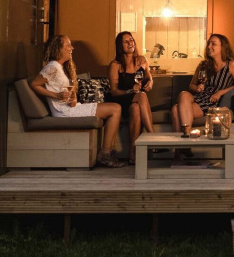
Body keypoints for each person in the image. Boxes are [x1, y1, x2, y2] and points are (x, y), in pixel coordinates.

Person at [30, 35, 125, 168]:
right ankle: (105, 154)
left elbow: (63, 90)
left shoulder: (60, 67)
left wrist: (72, 99)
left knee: (115, 108)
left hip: (69, 107)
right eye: (68, 45)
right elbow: (34, 84)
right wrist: (56, 95)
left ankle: (109, 152)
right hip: (63, 112)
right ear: (58, 48)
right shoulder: (52, 67)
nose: (72, 48)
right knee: (115, 109)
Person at [171, 34, 234, 156]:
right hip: (200, 96)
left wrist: (220, 92)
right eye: (209, 43)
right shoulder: (203, 65)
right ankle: (186, 141)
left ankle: (180, 150)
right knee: (183, 94)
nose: (209, 46)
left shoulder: (232, 65)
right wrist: (198, 88)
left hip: (212, 101)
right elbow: (191, 85)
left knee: (175, 109)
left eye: (213, 44)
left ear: (223, 47)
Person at [107, 31, 155, 164]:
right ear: (120, 45)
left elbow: (149, 78)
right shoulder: (115, 65)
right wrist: (130, 91)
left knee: (135, 108)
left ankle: (133, 154)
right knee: (141, 96)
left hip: (136, 101)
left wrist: (150, 83)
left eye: (131, 40)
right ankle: (153, 136)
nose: (130, 43)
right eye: (126, 41)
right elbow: (114, 92)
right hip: (122, 99)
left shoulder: (142, 60)